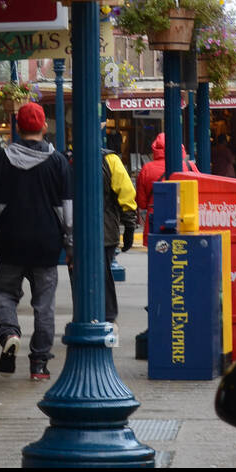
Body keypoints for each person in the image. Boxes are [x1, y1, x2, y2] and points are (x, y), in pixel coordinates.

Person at [0, 101, 72, 381]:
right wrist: (71, 246)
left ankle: (9, 333)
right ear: (43, 127)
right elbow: (68, 208)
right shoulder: (58, 162)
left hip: (10, 241)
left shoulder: (1, 160)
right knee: (44, 304)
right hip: (46, 243)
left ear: (17, 128)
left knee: (3, 293)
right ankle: (39, 363)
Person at [102, 149, 137, 335]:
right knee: (105, 275)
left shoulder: (70, 159)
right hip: (106, 230)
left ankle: (86, 315)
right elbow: (126, 193)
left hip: (75, 233)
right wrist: (129, 227)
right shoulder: (110, 160)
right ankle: (108, 318)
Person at [135, 133, 195, 237]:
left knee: (158, 250)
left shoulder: (146, 169)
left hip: (155, 222)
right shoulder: (189, 166)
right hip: (184, 220)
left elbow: (142, 203)